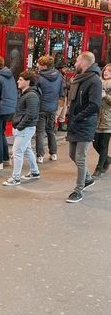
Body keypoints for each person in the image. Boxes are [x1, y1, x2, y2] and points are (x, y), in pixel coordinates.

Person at [66, 51, 102, 203]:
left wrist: (79, 116)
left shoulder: (94, 80)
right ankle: (87, 178)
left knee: (80, 158)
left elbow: (95, 105)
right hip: (75, 122)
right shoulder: (78, 78)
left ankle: (78, 190)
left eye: (77, 61)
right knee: (72, 155)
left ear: (85, 63)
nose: (75, 64)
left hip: (86, 123)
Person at [2, 72, 41, 186]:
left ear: (28, 81)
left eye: (20, 79)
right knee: (27, 150)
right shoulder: (27, 94)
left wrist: (20, 126)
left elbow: (31, 114)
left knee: (17, 152)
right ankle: (34, 172)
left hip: (25, 128)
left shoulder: (31, 95)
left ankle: (16, 178)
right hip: (26, 128)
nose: (18, 81)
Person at [35, 55, 64, 162]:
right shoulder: (59, 76)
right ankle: (53, 153)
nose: (38, 65)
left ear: (44, 66)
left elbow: (35, 92)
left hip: (41, 107)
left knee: (40, 132)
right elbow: (61, 92)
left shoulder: (38, 77)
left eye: (40, 64)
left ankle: (40, 155)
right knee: (50, 130)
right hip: (53, 107)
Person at [92, 63, 111, 177]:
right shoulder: (98, 83)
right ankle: (107, 160)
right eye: (105, 70)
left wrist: (105, 96)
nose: (106, 72)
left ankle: (99, 168)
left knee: (103, 145)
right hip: (96, 117)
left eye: (109, 71)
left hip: (108, 119)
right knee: (95, 144)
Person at [55, 64, 70, 131]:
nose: (66, 69)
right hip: (60, 96)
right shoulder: (57, 75)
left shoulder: (64, 75)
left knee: (63, 112)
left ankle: (61, 126)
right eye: (64, 68)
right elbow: (62, 85)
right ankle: (54, 127)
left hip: (65, 95)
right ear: (60, 69)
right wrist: (69, 84)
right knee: (57, 112)